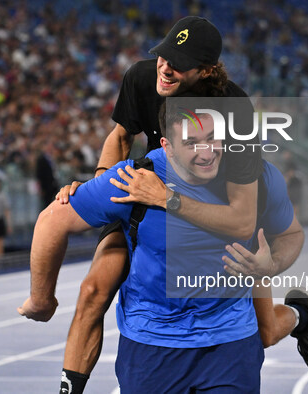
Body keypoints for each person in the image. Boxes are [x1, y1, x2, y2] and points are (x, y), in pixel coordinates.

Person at [19, 108, 308, 393]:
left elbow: (291, 233)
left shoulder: (254, 175)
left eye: (213, 139)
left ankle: (300, 315)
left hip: (230, 340)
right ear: (166, 146)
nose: (207, 152)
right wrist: (42, 300)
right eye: (192, 142)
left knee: (269, 331)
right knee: (92, 292)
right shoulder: (135, 175)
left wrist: (272, 264)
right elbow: (52, 220)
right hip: (152, 345)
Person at [52, 16, 263, 393]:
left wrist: (171, 199)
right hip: (140, 199)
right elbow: (120, 136)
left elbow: (243, 211)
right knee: (93, 290)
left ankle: (294, 318)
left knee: (263, 315)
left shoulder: (235, 107)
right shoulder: (141, 77)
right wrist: (101, 187)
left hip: (205, 207)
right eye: (164, 56)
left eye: (178, 63)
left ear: (206, 71)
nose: (165, 68)